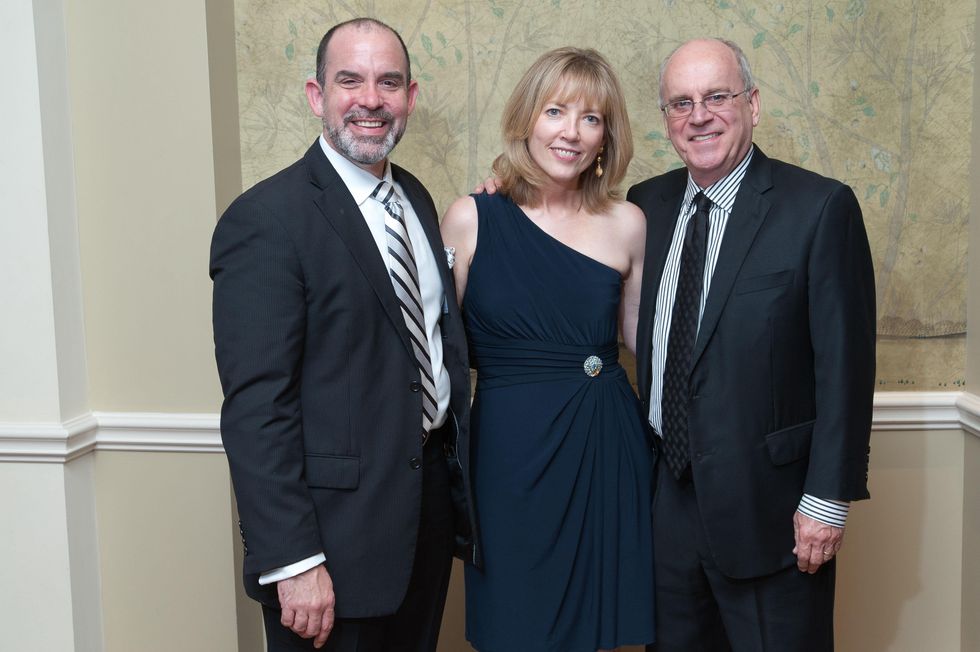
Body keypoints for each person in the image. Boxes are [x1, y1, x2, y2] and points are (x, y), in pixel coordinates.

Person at [210, 18, 477, 652]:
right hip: (330, 542)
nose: (371, 100)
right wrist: (294, 561)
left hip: (424, 512)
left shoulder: (413, 198)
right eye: (350, 81)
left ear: (410, 97)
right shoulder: (266, 220)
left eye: (389, 82)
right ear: (317, 95)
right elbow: (257, 410)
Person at [626, 38, 876, 651]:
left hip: (773, 511)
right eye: (681, 103)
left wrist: (826, 501)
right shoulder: (645, 206)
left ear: (753, 104)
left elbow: (845, 370)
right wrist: (508, 186)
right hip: (664, 505)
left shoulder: (819, 207)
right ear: (666, 119)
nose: (699, 116)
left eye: (717, 96)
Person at [441, 47, 655, 652]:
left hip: (605, 440)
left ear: (606, 136)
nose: (571, 132)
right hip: (508, 452)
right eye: (555, 111)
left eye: (591, 118)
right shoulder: (470, 217)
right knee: (515, 621)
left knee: (598, 628)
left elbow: (645, 341)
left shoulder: (628, 223)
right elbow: (435, 350)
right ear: (526, 119)